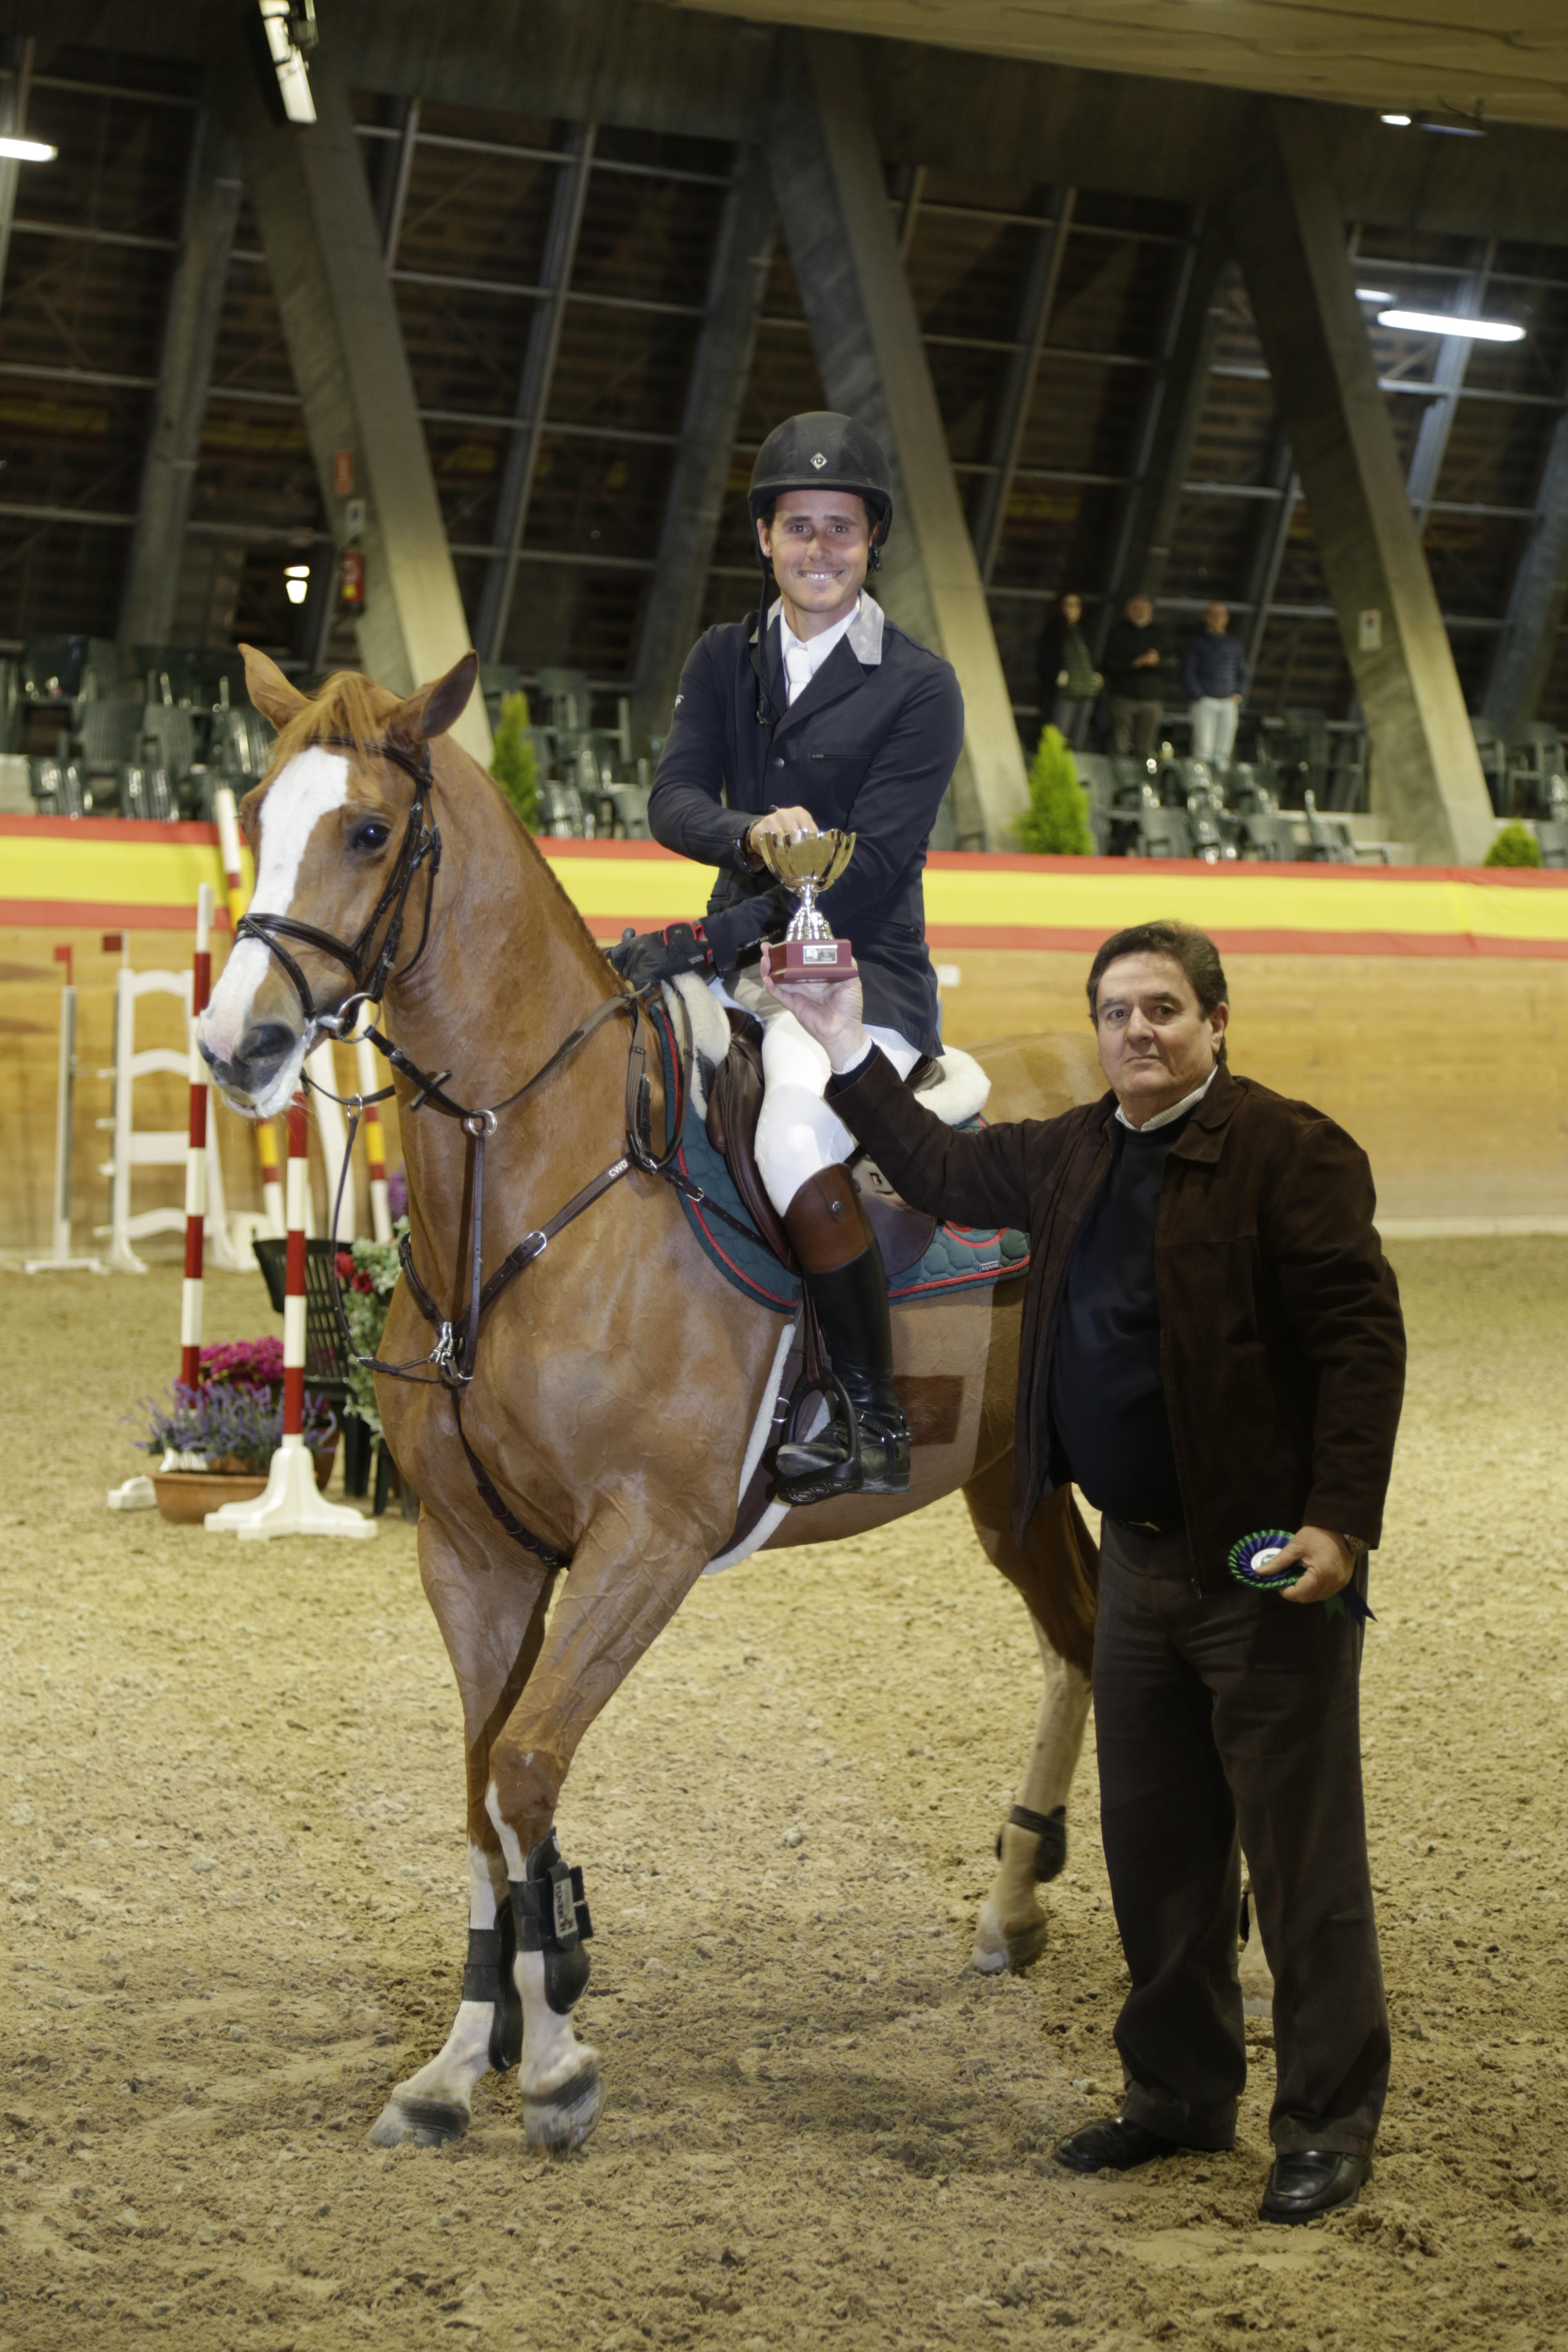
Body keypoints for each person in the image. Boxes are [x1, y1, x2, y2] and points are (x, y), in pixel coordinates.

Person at [767, 918, 1404, 2226]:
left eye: (1163, 1009)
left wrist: (1339, 1524)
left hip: (1264, 1567)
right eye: (1116, 1013)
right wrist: (840, 1043)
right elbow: (935, 1162)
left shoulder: (1290, 1153)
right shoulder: (1071, 1153)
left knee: (1299, 1865)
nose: (1138, 1033)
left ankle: (1326, 2121)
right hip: (1136, 1563)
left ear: (1215, 1022)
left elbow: (1359, 1344)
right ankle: (1174, 2099)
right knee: (1156, 1857)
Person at [613, 410, 964, 1506]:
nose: (822, 550)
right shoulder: (726, 658)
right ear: (765, 536)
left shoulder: (919, 685)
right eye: (801, 527)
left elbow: (871, 870)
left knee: (789, 1128)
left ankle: (870, 1410)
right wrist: (750, 834)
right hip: (738, 964)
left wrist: (709, 938)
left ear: (870, 544)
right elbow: (676, 798)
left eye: (843, 530)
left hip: (856, 981)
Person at [1182, 601, 1247, 770]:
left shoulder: (1233, 643)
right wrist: (1199, 696)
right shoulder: (1197, 643)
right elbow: (1188, 671)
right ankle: (1201, 787)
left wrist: (1238, 693)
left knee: (1224, 751)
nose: (1218, 619)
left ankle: (1219, 787)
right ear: (1206, 618)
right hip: (1205, 701)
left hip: (1228, 701)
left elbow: (1241, 671)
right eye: (1214, 615)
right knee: (1204, 748)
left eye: (1221, 615)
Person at [1101, 595, 1165, 762]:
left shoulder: (1160, 633)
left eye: (1144, 609)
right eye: (1136, 609)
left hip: (1151, 697)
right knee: (1120, 746)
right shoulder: (1118, 633)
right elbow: (1109, 663)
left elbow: (1172, 663)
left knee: (1145, 748)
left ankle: (1143, 781)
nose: (1140, 612)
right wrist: (1135, 663)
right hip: (1124, 696)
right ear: (1128, 612)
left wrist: (1157, 662)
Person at [1037, 590, 1101, 751]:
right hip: (1065, 692)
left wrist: (1095, 677)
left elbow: (1089, 658)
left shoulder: (1083, 632)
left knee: (1079, 735)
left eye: (1076, 606)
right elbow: (1044, 659)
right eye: (1068, 605)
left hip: (1086, 690)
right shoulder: (1053, 632)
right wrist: (1057, 676)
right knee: (1059, 735)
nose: (1071, 610)